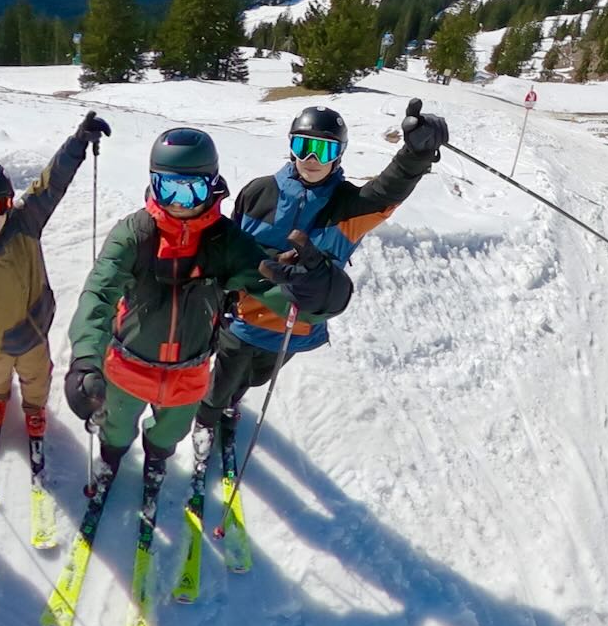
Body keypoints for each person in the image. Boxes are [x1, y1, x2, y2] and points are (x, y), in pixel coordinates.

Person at [64, 127, 352, 489]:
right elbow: (99, 294)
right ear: (153, 183)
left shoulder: (226, 243)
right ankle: (111, 458)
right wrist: (85, 358)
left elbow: (281, 294)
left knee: (169, 433)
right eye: (169, 188)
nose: (180, 204)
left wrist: (322, 293)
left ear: (212, 185)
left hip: (189, 372)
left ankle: (157, 461)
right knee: (117, 427)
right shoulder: (135, 235)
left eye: (193, 190)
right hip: (127, 366)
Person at [192, 98, 448, 450]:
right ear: (291, 147)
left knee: (253, 378)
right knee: (222, 379)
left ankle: (229, 406)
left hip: (293, 328)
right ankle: (206, 420)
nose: (311, 160)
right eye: (302, 147)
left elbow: (389, 189)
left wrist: (416, 155)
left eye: (322, 150)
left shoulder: (350, 207)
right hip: (242, 320)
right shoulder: (258, 192)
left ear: (338, 155)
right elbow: (230, 252)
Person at [0, 111, 112, 442]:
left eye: (0, 204)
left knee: (37, 379)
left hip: (36, 331)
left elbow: (51, 183)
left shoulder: (25, 223)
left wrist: (78, 142)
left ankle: (34, 410)